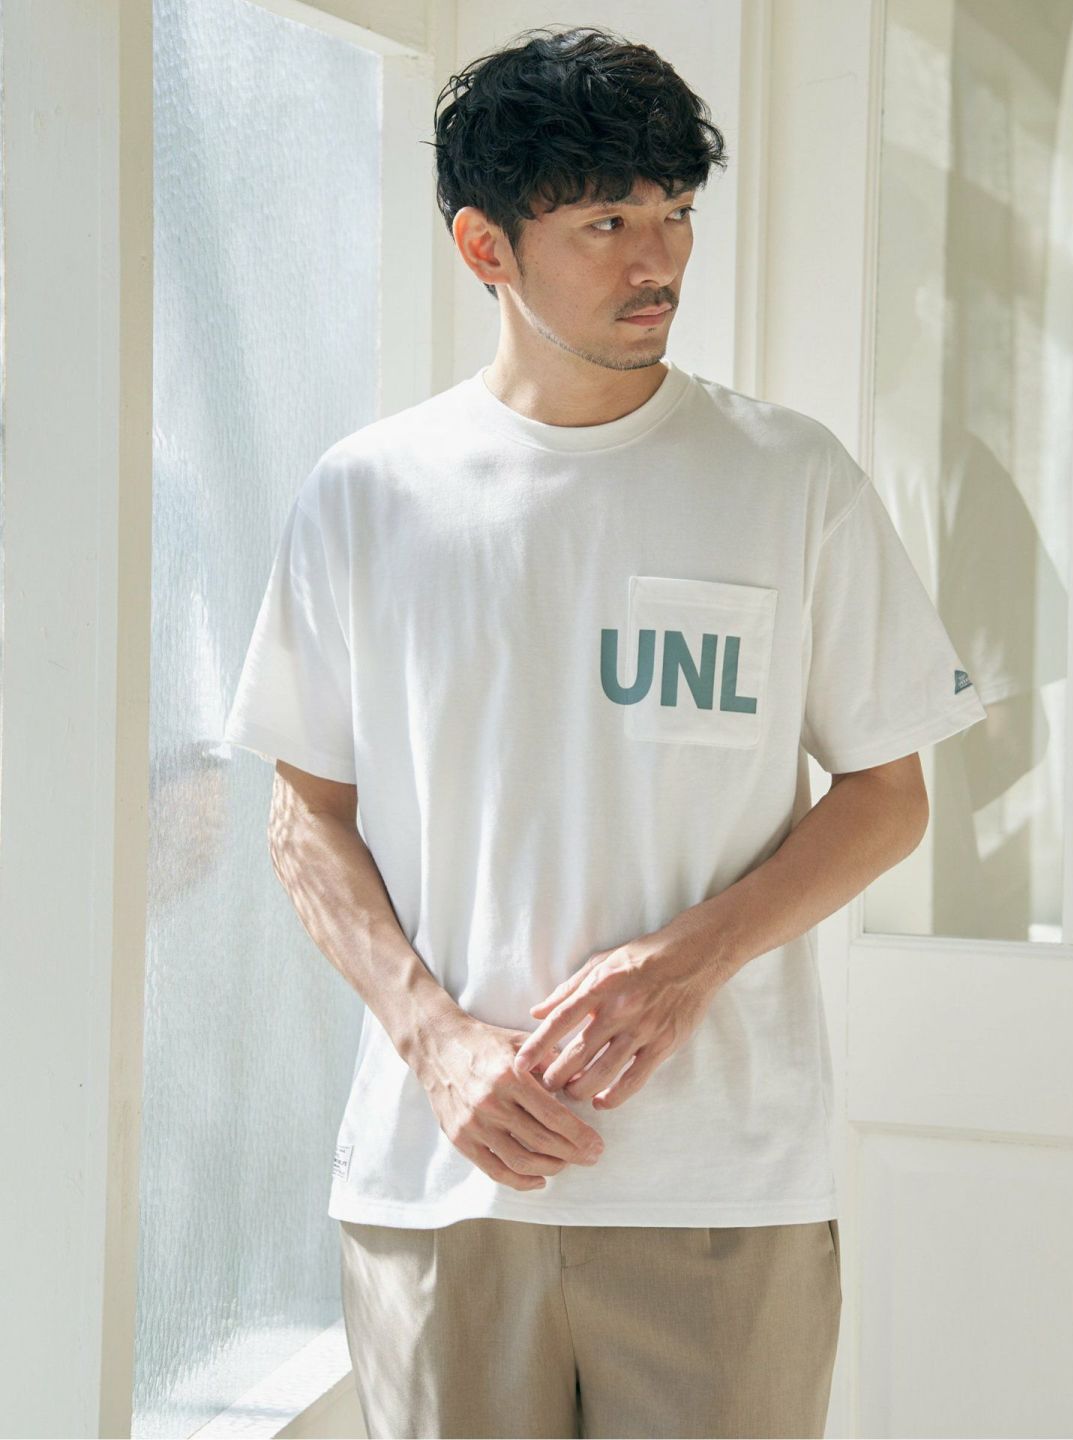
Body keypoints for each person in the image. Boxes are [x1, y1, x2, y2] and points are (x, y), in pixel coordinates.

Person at [222, 24, 988, 1439]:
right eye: (606, 224)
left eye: (675, 213)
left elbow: (889, 791)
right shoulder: (368, 495)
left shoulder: (790, 478)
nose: (660, 261)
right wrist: (435, 1040)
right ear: (485, 247)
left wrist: (689, 962)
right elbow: (301, 815)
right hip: (442, 1186)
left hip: (725, 1193)